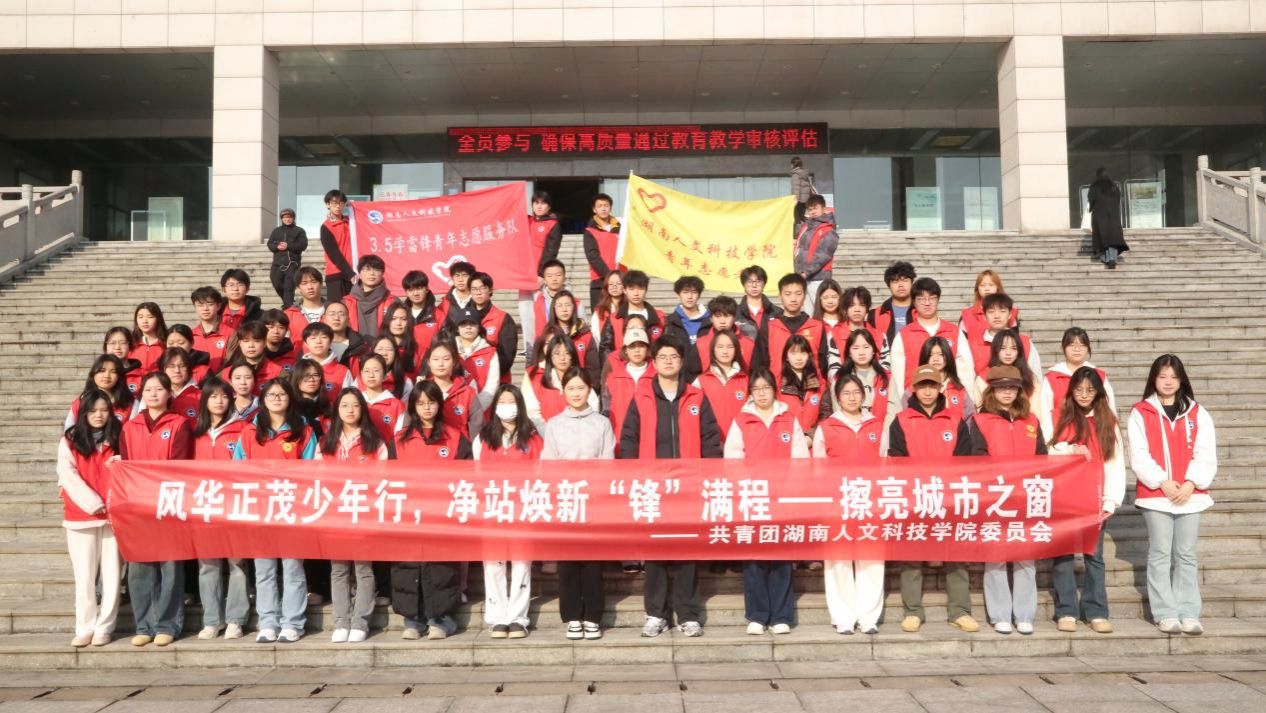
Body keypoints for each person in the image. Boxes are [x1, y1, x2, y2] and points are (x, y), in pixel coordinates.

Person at [619, 338, 723, 639]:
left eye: (673, 356)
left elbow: (710, 439)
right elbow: (629, 439)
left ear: (681, 361)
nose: (668, 361)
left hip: (688, 487)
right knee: (655, 551)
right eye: (662, 356)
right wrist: (633, 477)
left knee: (686, 549)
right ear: (654, 362)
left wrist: (709, 476)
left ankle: (688, 614)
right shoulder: (641, 397)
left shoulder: (696, 396)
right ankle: (656, 614)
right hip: (653, 487)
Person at [1128, 354, 1216, 635]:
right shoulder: (1141, 412)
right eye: (1163, 376)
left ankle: (1188, 612)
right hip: (1156, 494)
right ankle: (1165, 613)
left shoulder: (1197, 413)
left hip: (1191, 495)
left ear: (1182, 380)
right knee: (1160, 552)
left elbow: (1206, 452)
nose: (1168, 381)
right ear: (1154, 379)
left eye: (1174, 377)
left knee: (1186, 554)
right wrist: (1162, 482)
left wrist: (1191, 483)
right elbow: (1139, 454)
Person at [887, 365, 977, 634]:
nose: (927, 391)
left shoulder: (955, 419)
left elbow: (964, 459)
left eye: (932, 386)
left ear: (940, 389)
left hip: (948, 497)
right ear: (914, 389)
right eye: (922, 386)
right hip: (915, 496)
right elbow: (897, 459)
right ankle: (913, 611)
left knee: (956, 555)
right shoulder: (901, 420)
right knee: (911, 556)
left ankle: (959, 611)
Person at [232, 378, 318, 644]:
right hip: (260, 510)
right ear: (263, 400)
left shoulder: (303, 430)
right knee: (264, 570)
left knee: (292, 568)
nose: (277, 398)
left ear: (290, 398)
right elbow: (237, 469)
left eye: (282, 394)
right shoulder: (249, 432)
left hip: (291, 509)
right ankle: (268, 622)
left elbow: (312, 471)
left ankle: (293, 623)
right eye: (271, 395)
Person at [724, 367, 808, 635]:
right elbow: (732, 460)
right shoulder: (742, 420)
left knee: (781, 557)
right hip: (753, 498)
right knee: (754, 558)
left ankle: (782, 615)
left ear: (775, 390)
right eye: (756, 389)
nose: (761, 394)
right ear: (750, 392)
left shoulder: (789, 419)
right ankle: (757, 615)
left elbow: (800, 459)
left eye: (766, 388)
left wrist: (793, 491)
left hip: (783, 498)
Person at [969, 365, 1046, 635]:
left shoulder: (1031, 421)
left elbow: (1042, 457)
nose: (1007, 392)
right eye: (1001, 387)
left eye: (1012, 388)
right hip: (996, 498)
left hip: (1025, 497)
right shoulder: (980, 420)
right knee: (996, 557)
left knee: (1026, 557)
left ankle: (1024, 614)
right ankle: (999, 614)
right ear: (992, 390)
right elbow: (977, 458)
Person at [1048, 366, 1125, 635]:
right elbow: (1048, 451)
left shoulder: (1108, 422)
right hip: (1065, 498)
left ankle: (1096, 610)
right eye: (1079, 390)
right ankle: (1066, 610)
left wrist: (1111, 500)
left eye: (1089, 390)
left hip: (1095, 498)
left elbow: (1115, 462)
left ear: (1098, 393)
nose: (1083, 395)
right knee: (1063, 556)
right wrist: (1070, 449)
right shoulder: (1061, 417)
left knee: (1095, 556)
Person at [541, 367, 615, 640]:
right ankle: (573, 615)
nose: (576, 393)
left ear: (589, 390)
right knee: (569, 561)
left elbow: (608, 461)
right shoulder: (554, 424)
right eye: (570, 388)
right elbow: (548, 463)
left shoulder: (602, 423)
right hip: (565, 499)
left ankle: (593, 616)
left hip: (593, 499)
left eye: (581, 388)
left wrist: (599, 493)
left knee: (593, 561)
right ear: (563, 392)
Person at [120, 372, 193, 647]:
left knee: (169, 566)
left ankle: (167, 625)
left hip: (168, 502)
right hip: (138, 504)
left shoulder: (179, 423)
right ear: (141, 394)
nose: (153, 394)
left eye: (159, 389)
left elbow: (179, 465)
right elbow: (127, 466)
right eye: (148, 389)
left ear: (168, 393)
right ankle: (144, 625)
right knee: (140, 568)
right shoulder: (130, 427)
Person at [393, 381, 469, 640]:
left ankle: (442, 619)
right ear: (413, 406)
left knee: (440, 566)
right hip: (408, 515)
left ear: (440, 404)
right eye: (421, 403)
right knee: (408, 566)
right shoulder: (400, 440)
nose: (427, 408)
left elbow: (467, 476)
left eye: (432, 402)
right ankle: (412, 619)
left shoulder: (454, 437)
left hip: (442, 515)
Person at [813, 374, 884, 635]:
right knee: (838, 561)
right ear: (837, 397)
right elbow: (818, 468)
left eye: (856, 392)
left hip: (870, 501)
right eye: (846, 393)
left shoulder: (877, 425)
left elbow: (885, 463)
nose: (852, 398)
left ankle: (868, 616)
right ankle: (843, 616)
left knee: (871, 559)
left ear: (863, 395)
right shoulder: (826, 427)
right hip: (837, 501)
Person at [318, 388, 389, 643]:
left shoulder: (375, 443)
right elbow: (317, 478)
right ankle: (341, 621)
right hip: (335, 514)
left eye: (355, 405)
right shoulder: (326, 443)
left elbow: (382, 479)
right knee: (338, 570)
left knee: (363, 568)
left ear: (362, 409)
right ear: (337, 410)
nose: (350, 410)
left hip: (363, 512)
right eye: (345, 405)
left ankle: (360, 621)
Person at [473, 384, 544, 640]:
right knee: (494, 563)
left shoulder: (533, 438)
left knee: (521, 562)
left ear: (520, 406)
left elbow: (541, 473)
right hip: (492, 507)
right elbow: (475, 473)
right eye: (502, 402)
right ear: (495, 407)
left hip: (522, 507)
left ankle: (517, 618)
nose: (506, 407)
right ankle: (497, 617)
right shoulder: (483, 438)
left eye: (511, 402)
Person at [58, 388, 123, 648]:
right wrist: (93, 502)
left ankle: (104, 627)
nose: (99, 415)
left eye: (104, 410)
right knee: (84, 576)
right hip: (81, 515)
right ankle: (84, 626)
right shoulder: (70, 440)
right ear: (83, 413)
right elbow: (67, 475)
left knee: (112, 574)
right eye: (93, 411)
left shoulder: (118, 438)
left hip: (113, 515)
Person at [191, 378, 250, 640]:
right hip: (204, 504)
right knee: (208, 564)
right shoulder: (195, 431)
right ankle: (212, 620)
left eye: (224, 396)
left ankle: (236, 619)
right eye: (213, 396)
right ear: (205, 400)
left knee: (237, 563)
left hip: (234, 504)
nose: (219, 401)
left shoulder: (243, 429)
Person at [888, 277, 972, 391]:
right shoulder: (904, 335)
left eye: (932, 298)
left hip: (950, 396)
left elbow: (966, 370)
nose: (927, 303)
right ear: (914, 302)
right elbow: (897, 375)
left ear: (938, 300)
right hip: (916, 396)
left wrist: (965, 396)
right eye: (921, 299)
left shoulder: (954, 332)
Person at [1038, 327, 1117, 443]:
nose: (1077, 350)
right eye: (1071, 345)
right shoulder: (1052, 377)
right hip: (1063, 438)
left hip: (1094, 435)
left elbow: (1109, 408)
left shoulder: (1098, 376)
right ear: (1063, 348)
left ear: (1088, 348)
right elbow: (1045, 411)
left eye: (1082, 345)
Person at [753, 273, 829, 384]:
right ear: (780, 296)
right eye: (788, 294)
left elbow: (823, 364)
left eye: (798, 294)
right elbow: (759, 363)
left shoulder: (817, 327)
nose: (793, 299)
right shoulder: (769, 327)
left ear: (804, 296)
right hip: (779, 390)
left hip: (812, 390)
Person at [525, 330, 600, 433]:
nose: (562, 358)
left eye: (567, 353)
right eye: (557, 353)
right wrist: (550, 435)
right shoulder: (537, 380)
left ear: (572, 356)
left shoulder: (582, 378)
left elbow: (593, 407)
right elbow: (532, 413)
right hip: (547, 436)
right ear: (550, 356)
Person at [520, 190, 564, 353]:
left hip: (540, 278)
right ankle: (529, 349)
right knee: (525, 314)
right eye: (536, 203)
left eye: (543, 203)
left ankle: (546, 346)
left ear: (549, 207)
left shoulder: (553, 224)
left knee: (542, 313)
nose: (539, 206)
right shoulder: (526, 221)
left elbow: (551, 251)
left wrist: (541, 274)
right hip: (524, 276)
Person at [692, 329, 748, 447]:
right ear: (713, 349)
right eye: (720, 347)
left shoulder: (747, 380)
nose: (725, 351)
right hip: (711, 444)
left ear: (737, 349)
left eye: (730, 347)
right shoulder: (700, 382)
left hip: (741, 444)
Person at [598, 269, 665, 363]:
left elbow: (665, 346)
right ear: (624, 290)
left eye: (640, 289)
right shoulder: (614, 318)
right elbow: (606, 347)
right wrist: (616, 367)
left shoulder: (659, 317)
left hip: (652, 367)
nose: (636, 293)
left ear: (646, 290)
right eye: (631, 289)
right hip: (622, 368)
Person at [418, 340, 481, 439]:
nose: (441, 364)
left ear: (454, 362)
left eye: (446, 359)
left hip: (460, 446)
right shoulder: (421, 390)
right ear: (429, 362)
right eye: (435, 359)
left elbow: (478, 426)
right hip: (427, 445)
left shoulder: (468, 392)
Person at [685, 296, 756, 384]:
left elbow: (756, 375)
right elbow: (690, 375)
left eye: (727, 316)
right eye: (718, 316)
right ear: (711, 319)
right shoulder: (701, 344)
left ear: (734, 318)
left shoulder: (749, 344)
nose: (722, 321)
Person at [777, 335, 830, 440]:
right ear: (786, 356)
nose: (799, 358)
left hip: (814, 442)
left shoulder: (820, 384)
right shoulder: (777, 384)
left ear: (809, 355)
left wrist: (811, 437)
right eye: (793, 353)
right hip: (787, 441)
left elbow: (826, 414)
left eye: (803, 353)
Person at [834, 329, 891, 428]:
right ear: (849, 352)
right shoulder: (840, 378)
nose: (861, 352)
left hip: (882, 432)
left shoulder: (886, 377)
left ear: (873, 350)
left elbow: (893, 411)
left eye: (866, 347)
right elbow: (838, 411)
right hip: (850, 431)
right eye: (856, 348)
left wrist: (882, 432)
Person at [469, 272, 518, 384]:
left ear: (490, 290)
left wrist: (490, 377)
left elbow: (507, 356)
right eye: (474, 289)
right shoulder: (462, 318)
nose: (478, 292)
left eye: (482, 288)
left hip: (496, 381)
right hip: (469, 382)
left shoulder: (503, 318)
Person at [543, 290, 600, 385]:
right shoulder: (548, 335)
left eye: (568, 305)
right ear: (554, 308)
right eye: (560, 305)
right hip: (554, 385)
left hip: (579, 386)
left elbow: (593, 368)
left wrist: (591, 387)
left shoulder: (585, 334)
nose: (564, 309)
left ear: (574, 307)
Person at [867, 261, 916, 369]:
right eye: (895, 281)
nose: (901, 285)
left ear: (912, 283)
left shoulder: (920, 312)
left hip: (915, 368)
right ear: (889, 285)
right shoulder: (875, 314)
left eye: (905, 280)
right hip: (885, 369)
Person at [794, 195, 838, 313]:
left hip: (819, 278)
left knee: (820, 312)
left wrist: (806, 272)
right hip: (805, 278)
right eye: (810, 209)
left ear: (823, 208)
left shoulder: (828, 230)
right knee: (809, 314)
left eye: (815, 208)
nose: (813, 211)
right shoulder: (806, 227)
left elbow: (823, 255)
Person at [452, 314, 499, 421]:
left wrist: (476, 409)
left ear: (479, 328)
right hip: (453, 410)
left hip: (482, 411)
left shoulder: (490, 352)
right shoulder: (449, 350)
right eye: (463, 324)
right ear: (457, 328)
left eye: (472, 324)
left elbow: (492, 385)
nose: (468, 327)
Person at [66, 355, 133, 428]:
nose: (107, 376)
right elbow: (69, 430)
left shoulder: (130, 403)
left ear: (119, 376)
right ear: (93, 373)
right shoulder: (80, 403)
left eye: (113, 372)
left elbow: (134, 431)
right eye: (102, 371)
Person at [583, 192, 622, 309]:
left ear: (610, 208)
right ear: (594, 209)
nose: (603, 209)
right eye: (600, 206)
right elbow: (593, 256)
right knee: (600, 316)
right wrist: (609, 276)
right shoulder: (590, 231)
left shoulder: (622, 229)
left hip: (621, 280)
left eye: (606, 205)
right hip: (600, 282)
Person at [343, 255, 396, 340]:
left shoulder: (392, 302)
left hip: (384, 347)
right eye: (367, 269)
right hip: (353, 347)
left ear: (382, 273)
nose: (372, 273)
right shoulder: (346, 302)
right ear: (359, 274)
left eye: (376, 270)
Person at [357, 354, 406, 443]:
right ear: (361, 374)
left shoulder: (397, 406)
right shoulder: (356, 402)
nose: (371, 375)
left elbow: (400, 439)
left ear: (384, 375)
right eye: (367, 371)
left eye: (376, 371)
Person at [959, 270, 1019, 342]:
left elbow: (1015, 341)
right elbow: (961, 342)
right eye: (982, 285)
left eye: (991, 285)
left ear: (997, 287)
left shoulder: (1010, 312)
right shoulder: (967, 314)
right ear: (977, 289)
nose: (987, 289)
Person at [529, 259, 571, 357]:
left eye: (558, 275)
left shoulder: (575, 303)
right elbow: (532, 332)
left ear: (564, 277)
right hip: (544, 351)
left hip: (568, 351)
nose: (554, 279)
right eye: (550, 276)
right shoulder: (537, 303)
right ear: (544, 279)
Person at [1088, 168, 1128, 269]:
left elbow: (1091, 199)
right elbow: (1118, 199)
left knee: (1102, 238)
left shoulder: (1095, 186)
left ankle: (1107, 258)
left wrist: (1092, 207)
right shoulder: (1113, 186)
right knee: (1112, 238)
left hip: (1099, 216)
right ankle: (1112, 259)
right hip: (1113, 217)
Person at [267, 208, 307, 308]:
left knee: (289, 286)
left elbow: (303, 245)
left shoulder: (299, 231)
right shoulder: (276, 231)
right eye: (284, 217)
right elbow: (270, 243)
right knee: (276, 283)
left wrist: (288, 246)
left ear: (293, 218)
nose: (287, 219)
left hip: (292, 263)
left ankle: (288, 307)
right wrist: (277, 247)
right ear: (281, 219)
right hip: (277, 263)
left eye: (289, 217)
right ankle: (289, 302)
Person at [403, 269, 447, 360]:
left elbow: (446, 346)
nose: (415, 293)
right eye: (411, 290)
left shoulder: (439, 316)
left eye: (419, 288)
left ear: (426, 289)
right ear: (406, 292)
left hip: (430, 365)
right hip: (404, 365)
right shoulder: (401, 315)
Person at [320, 189, 355, 302]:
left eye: (341, 203)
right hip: (336, 275)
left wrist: (355, 206)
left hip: (354, 273)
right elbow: (334, 254)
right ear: (328, 205)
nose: (338, 206)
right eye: (334, 203)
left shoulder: (351, 222)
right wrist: (350, 274)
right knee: (337, 309)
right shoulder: (326, 227)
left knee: (353, 310)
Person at [127, 302, 168, 395]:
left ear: (158, 319)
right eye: (140, 317)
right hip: (133, 392)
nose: (145, 321)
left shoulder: (166, 344)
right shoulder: (130, 344)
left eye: (150, 317)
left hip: (158, 392)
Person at [284, 267, 327, 348]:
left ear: (321, 284)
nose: (310, 287)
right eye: (304, 283)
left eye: (313, 282)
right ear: (298, 288)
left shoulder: (332, 311)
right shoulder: (289, 315)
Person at [190, 286, 231, 374]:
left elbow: (231, 364)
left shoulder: (231, 334)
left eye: (210, 304)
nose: (205, 309)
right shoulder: (190, 335)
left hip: (220, 381)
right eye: (200, 305)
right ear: (195, 307)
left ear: (218, 306)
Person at [662, 275, 710, 347]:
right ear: (678, 295)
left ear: (699, 295)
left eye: (694, 292)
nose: (690, 297)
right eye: (685, 292)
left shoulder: (710, 320)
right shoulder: (671, 321)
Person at [735, 265, 780, 342]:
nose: (754, 285)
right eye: (749, 282)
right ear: (743, 285)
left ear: (764, 284)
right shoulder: (735, 313)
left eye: (758, 281)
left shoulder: (776, 313)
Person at [590, 270, 624, 351]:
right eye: (611, 284)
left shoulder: (630, 308)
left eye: (618, 283)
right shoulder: (599, 312)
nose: (614, 286)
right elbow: (595, 337)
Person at [219, 268, 262, 333]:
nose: (235, 289)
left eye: (240, 285)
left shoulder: (259, 315)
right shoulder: (216, 312)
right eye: (231, 285)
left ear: (247, 288)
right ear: (223, 289)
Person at [442, 261, 479, 327]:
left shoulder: (479, 301)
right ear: (452, 278)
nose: (460, 279)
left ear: (472, 278)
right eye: (457, 276)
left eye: (465, 275)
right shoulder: (444, 303)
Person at [789, 156, 815, 224]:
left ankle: (799, 230)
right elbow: (808, 187)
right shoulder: (804, 174)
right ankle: (808, 227)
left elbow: (796, 189)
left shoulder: (795, 175)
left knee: (797, 218)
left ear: (793, 164)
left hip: (799, 201)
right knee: (802, 217)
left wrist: (795, 200)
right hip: (805, 200)